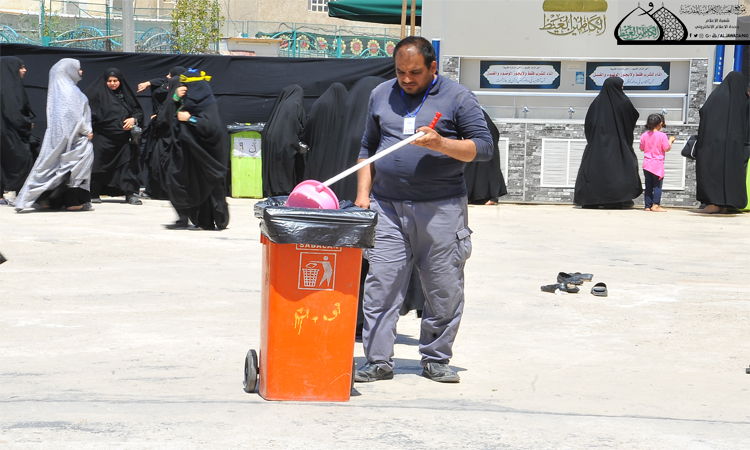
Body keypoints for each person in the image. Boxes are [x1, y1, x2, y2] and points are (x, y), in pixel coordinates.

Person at [354, 36, 493, 384]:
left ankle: (436, 358)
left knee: (443, 287)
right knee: (381, 284)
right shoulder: (381, 94)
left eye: (415, 72)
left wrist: (441, 143)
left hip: (441, 209)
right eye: (400, 71)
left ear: (433, 67)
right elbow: (368, 147)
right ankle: (377, 360)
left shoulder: (458, 97)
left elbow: (484, 147)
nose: (406, 79)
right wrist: (362, 196)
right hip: (387, 207)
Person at [14, 58, 94, 212]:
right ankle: (73, 202)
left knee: (53, 166)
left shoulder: (58, 92)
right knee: (76, 167)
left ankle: (48, 200)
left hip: (58, 138)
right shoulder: (72, 92)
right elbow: (75, 117)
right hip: (76, 140)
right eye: (78, 68)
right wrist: (87, 131)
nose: (81, 71)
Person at [162, 69, 229, 230]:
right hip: (185, 154)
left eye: (188, 86)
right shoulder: (185, 101)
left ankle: (206, 221)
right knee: (176, 182)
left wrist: (190, 119)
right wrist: (175, 99)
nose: (185, 89)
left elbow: (212, 128)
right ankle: (183, 218)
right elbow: (166, 119)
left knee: (205, 188)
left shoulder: (208, 104)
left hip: (205, 156)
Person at [574, 76, 641, 208]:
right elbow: (632, 116)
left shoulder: (596, 104)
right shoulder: (624, 102)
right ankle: (617, 199)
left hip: (597, 146)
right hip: (618, 144)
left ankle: (592, 200)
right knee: (620, 170)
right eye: (621, 86)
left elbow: (589, 124)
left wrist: (594, 140)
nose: (622, 88)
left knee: (595, 171)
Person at [85, 68, 144, 205]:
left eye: (115, 81)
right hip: (103, 137)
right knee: (99, 165)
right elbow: (87, 113)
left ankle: (129, 194)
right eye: (109, 81)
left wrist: (133, 119)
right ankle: (94, 193)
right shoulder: (97, 95)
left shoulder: (125, 95)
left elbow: (138, 111)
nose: (112, 83)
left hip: (123, 139)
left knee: (127, 165)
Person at [695, 71, 750, 214]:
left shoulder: (717, 97)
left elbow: (705, 113)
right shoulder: (743, 100)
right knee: (730, 175)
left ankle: (713, 204)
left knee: (713, 172)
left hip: (713, 145)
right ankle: (725, 205)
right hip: (735, 147)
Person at [301, 82, 348, 197]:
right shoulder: (348, 106)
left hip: (319, 149)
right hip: (341, 150)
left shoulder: (320, 104)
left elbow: (309, 124)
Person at [1, 56, 37, 204]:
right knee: (22, 160)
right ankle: (13, 192)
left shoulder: (10, 86)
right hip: (10, 133)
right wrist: (26, 124)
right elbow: (13, 113)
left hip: (7, 132)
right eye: (21, 67)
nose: (24, 70)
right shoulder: (8, 89)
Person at [261, 85, 306, 197]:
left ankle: (274, 190)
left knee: (275, 167)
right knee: (285, 167)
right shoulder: (295, 104)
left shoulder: (281, 105)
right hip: (286, 140)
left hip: (271, 139)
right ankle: (284, 191)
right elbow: (298, 125)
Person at [464, 109, 508, 205]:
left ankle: (492, 197)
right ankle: (473, 197)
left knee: (485, 164)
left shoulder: (468, 111)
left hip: (485, 136)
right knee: (475, 165)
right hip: (481, 136)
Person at [639, 114, 674, 212]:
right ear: (660, 123)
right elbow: (666, 148)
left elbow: (642, 148)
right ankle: (655, 205)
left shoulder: (644, 135)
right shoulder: (662, 135)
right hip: (657, 165)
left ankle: (647, 206)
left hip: (647, 164)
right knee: (657, 186)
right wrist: (670, 141)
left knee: (648, 186)